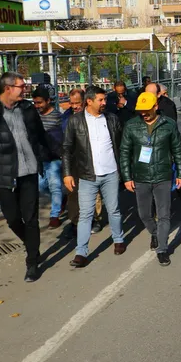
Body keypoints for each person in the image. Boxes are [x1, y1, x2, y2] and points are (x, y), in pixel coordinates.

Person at [0, 72, 48, 282]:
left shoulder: (28, 109)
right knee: (12, 219)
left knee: (30, 219)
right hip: (4, 176)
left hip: (29, 172)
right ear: (8, 88)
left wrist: (50, 157)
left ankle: (32, 262)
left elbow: (39, 135)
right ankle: (32, 245)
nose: (25, 89)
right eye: (21, 86)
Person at [62, 86, 125, 268]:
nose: (104, 103)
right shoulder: (75, 121)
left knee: (113, 209)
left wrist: (124, 171)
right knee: (85, 215)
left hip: (111, 173)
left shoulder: (112, 119)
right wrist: (67, 174)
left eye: (104, 99)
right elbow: (66, 148)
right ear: (89, 101)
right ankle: (81, 252)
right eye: (100, 100)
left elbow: (120, 145)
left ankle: (118, 239)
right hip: (87, 176)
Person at [120, 93, 181, 266]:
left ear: (156, 106)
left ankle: (162, 249)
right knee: (144, 214)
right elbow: (124, 153)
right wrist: (126, 177)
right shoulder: (131, 126)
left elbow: (178, 150)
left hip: (163, 176)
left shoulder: (168, 125)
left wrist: (180, 174)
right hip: (141, 177)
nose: (144, 113)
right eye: (141, 110)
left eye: (147, 110)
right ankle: (155, 233)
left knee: (164, 215)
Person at [32, 88, 64, 229]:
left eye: (39, 103)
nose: (37, 105)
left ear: (48, 101)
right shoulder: (34, 116)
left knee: (55, 185)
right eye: (35, 103)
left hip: (55, 157)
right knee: (40, 185)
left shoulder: (58, 117)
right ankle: (62, 198)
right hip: (41, 157)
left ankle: (54, 215)